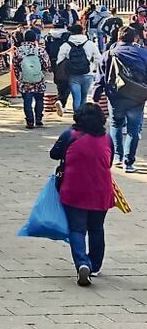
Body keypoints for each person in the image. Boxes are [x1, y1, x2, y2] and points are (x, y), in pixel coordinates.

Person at [51, 104, 115, 286]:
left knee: (77, 229)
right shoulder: (107, 138)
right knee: (97, 228)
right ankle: (94, 265)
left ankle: (81, 263)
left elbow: (54, 154)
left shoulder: (70, 135)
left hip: (74, 190)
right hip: (101, 190)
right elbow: (109, 162)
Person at [101, 27, 147, 171]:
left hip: (116, 96)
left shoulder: (109, 54)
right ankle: (129, 162)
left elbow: (101, 77)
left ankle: (117, 157)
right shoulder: (143, 53)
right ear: (134, 39)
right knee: (133, 130)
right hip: (137, 97)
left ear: (118, 38)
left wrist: (97, 95)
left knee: (115, 125)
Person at [56, 24, 100, 113]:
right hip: (88, 74)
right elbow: (98, 58)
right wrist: (93, 67)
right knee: (84, 97)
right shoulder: (90, 44)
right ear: (83, 31)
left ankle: (77, 116)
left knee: (76, 97)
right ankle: (83, 117)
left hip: (73, 75)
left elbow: (59, 60)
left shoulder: (66, 45)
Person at [14, 30, 52, 129]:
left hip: (25, 80)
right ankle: (39, 119)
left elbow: (15, 65)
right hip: (38, 79)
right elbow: (47, 65)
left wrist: (18, 76)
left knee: (27, 101)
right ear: (35, 38)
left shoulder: (18, 50)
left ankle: (30, 121)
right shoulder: (39, 50)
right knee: (39, 99)